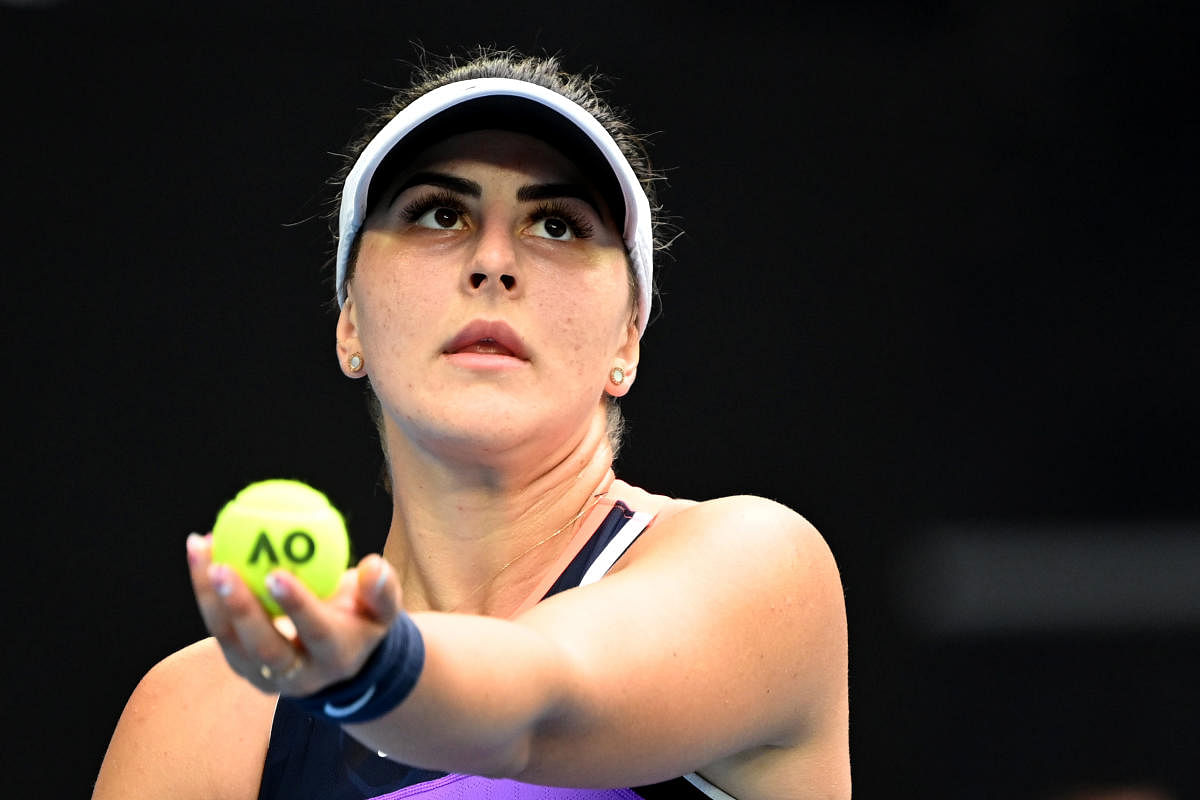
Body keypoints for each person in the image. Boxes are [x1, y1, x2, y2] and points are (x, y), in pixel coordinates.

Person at [91, 49, 851, 800]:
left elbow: (545, 702)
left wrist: (376, 674)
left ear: (628, 339)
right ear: (349, 321)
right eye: (439, 214)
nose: (493, 261)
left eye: (556, 224)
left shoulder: (761, 572)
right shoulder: (198, 721)